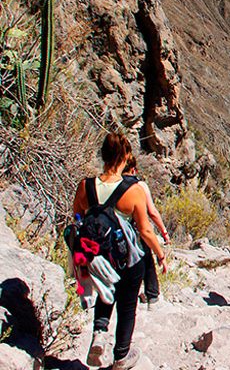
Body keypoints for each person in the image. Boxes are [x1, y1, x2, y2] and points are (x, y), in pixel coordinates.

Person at [72, 132, 167, 370]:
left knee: (106, 291)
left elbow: (77, 218)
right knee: (127, 304)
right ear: (125, 157)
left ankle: (99, 332)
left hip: (96, 256)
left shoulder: (85, 186)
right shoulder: (133, 190)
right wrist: (160, 254)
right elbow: (145, 231)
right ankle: (121, 356)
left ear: (103, 155)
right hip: (126, 257)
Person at [122, 156, 170, 308]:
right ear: (133, 169)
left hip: (115, 231)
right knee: (147, 259)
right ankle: (152, 294)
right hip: (136, 230)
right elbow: (152, 212)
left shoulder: (110, 184)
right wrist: (164, 232)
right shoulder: (140, 186)